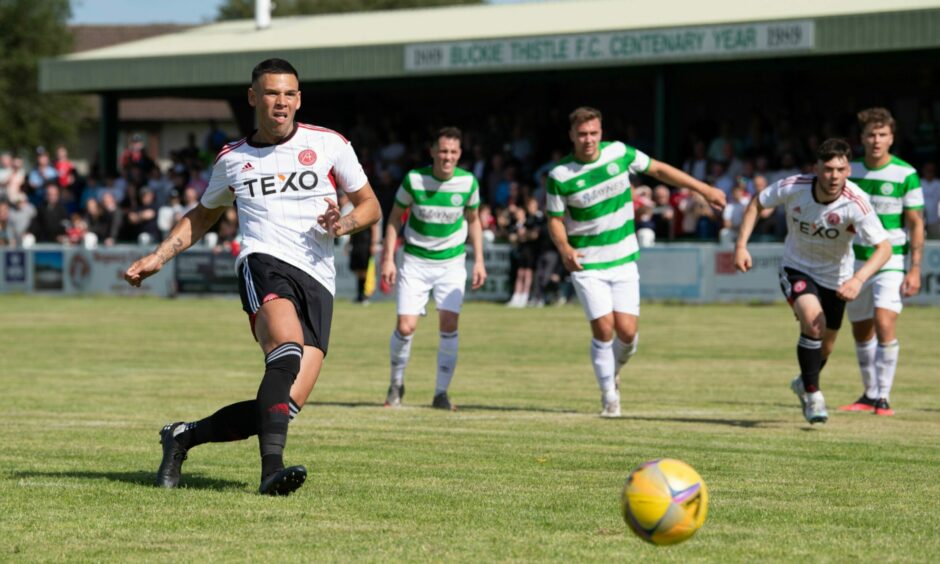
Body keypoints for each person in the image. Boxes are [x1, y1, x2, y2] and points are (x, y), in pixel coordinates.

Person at [124, 58, 381, 496]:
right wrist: (159, 255)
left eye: (288, 94)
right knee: (286, 350)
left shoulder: (331, 144)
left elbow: (370, 205)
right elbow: (203, 215)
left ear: (298, 99)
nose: (280, 102)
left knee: (284, 406)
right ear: (253, 98)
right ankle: (270, 472)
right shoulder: (232, 159)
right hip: (263, 263)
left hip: (318, 277)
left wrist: (341, 225)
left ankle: (182, 436)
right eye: (271, 93)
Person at [546, 107, 726, 417]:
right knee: (604, 329)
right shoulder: (560, 175)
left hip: (623, 258)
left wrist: (704, 188)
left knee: (627, 334)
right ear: (571, 136)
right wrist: (564, 249)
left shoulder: (619, 153)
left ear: (601, 133)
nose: (588, 139)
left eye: (593, 133)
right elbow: (554, 219)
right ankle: (609, 397)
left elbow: (659, 170)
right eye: (582, 134)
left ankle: (612, 372)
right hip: (587, 262)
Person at [735, 138, 892, 424]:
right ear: (816, 167)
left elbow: (884, 248)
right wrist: (741, 245)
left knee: (826, 346)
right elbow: (757, 203)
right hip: (796, 268)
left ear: (848, 171)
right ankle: (813, 395)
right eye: (829, 169)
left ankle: (803, 381)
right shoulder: (793, 186)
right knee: (814, 323)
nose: (834, 176)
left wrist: (858, 279)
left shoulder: (856, 203)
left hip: (838, 278)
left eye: (841, 170)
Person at [381, 127, 487, 411]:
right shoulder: (414, 179)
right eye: (442, 151)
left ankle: (441, 393)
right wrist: (388, 258)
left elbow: (474, 220)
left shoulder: (468, 183)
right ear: (432, 152)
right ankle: (396, 385)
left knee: (449, 323)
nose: (447, 157)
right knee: (406, 326)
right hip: (415, 261)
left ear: (459, 154)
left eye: (453, 152)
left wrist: (478, 260)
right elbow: (393, 219)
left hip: (451, 263)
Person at [840, 108, 925, 416]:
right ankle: (869, 394)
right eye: (871, 135)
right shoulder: (849, 172)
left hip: (889, 260)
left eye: (882, 135)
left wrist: (915, 268)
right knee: (861, 330)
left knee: (884, 320)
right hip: (853, 263)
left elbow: (916, 223)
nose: (877, 140)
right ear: (861, 139)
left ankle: (884, 398)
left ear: (892, 138)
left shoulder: (906, 173)